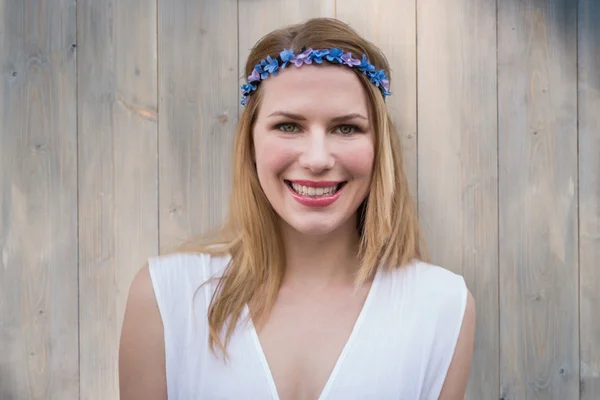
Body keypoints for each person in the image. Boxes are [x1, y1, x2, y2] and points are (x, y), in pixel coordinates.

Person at [119, 17, 475, 400]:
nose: (318, 159)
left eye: (346, 128)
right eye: (289, 126)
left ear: (379, 147)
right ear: (250, 142)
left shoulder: (442, 305)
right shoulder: (164, 297)